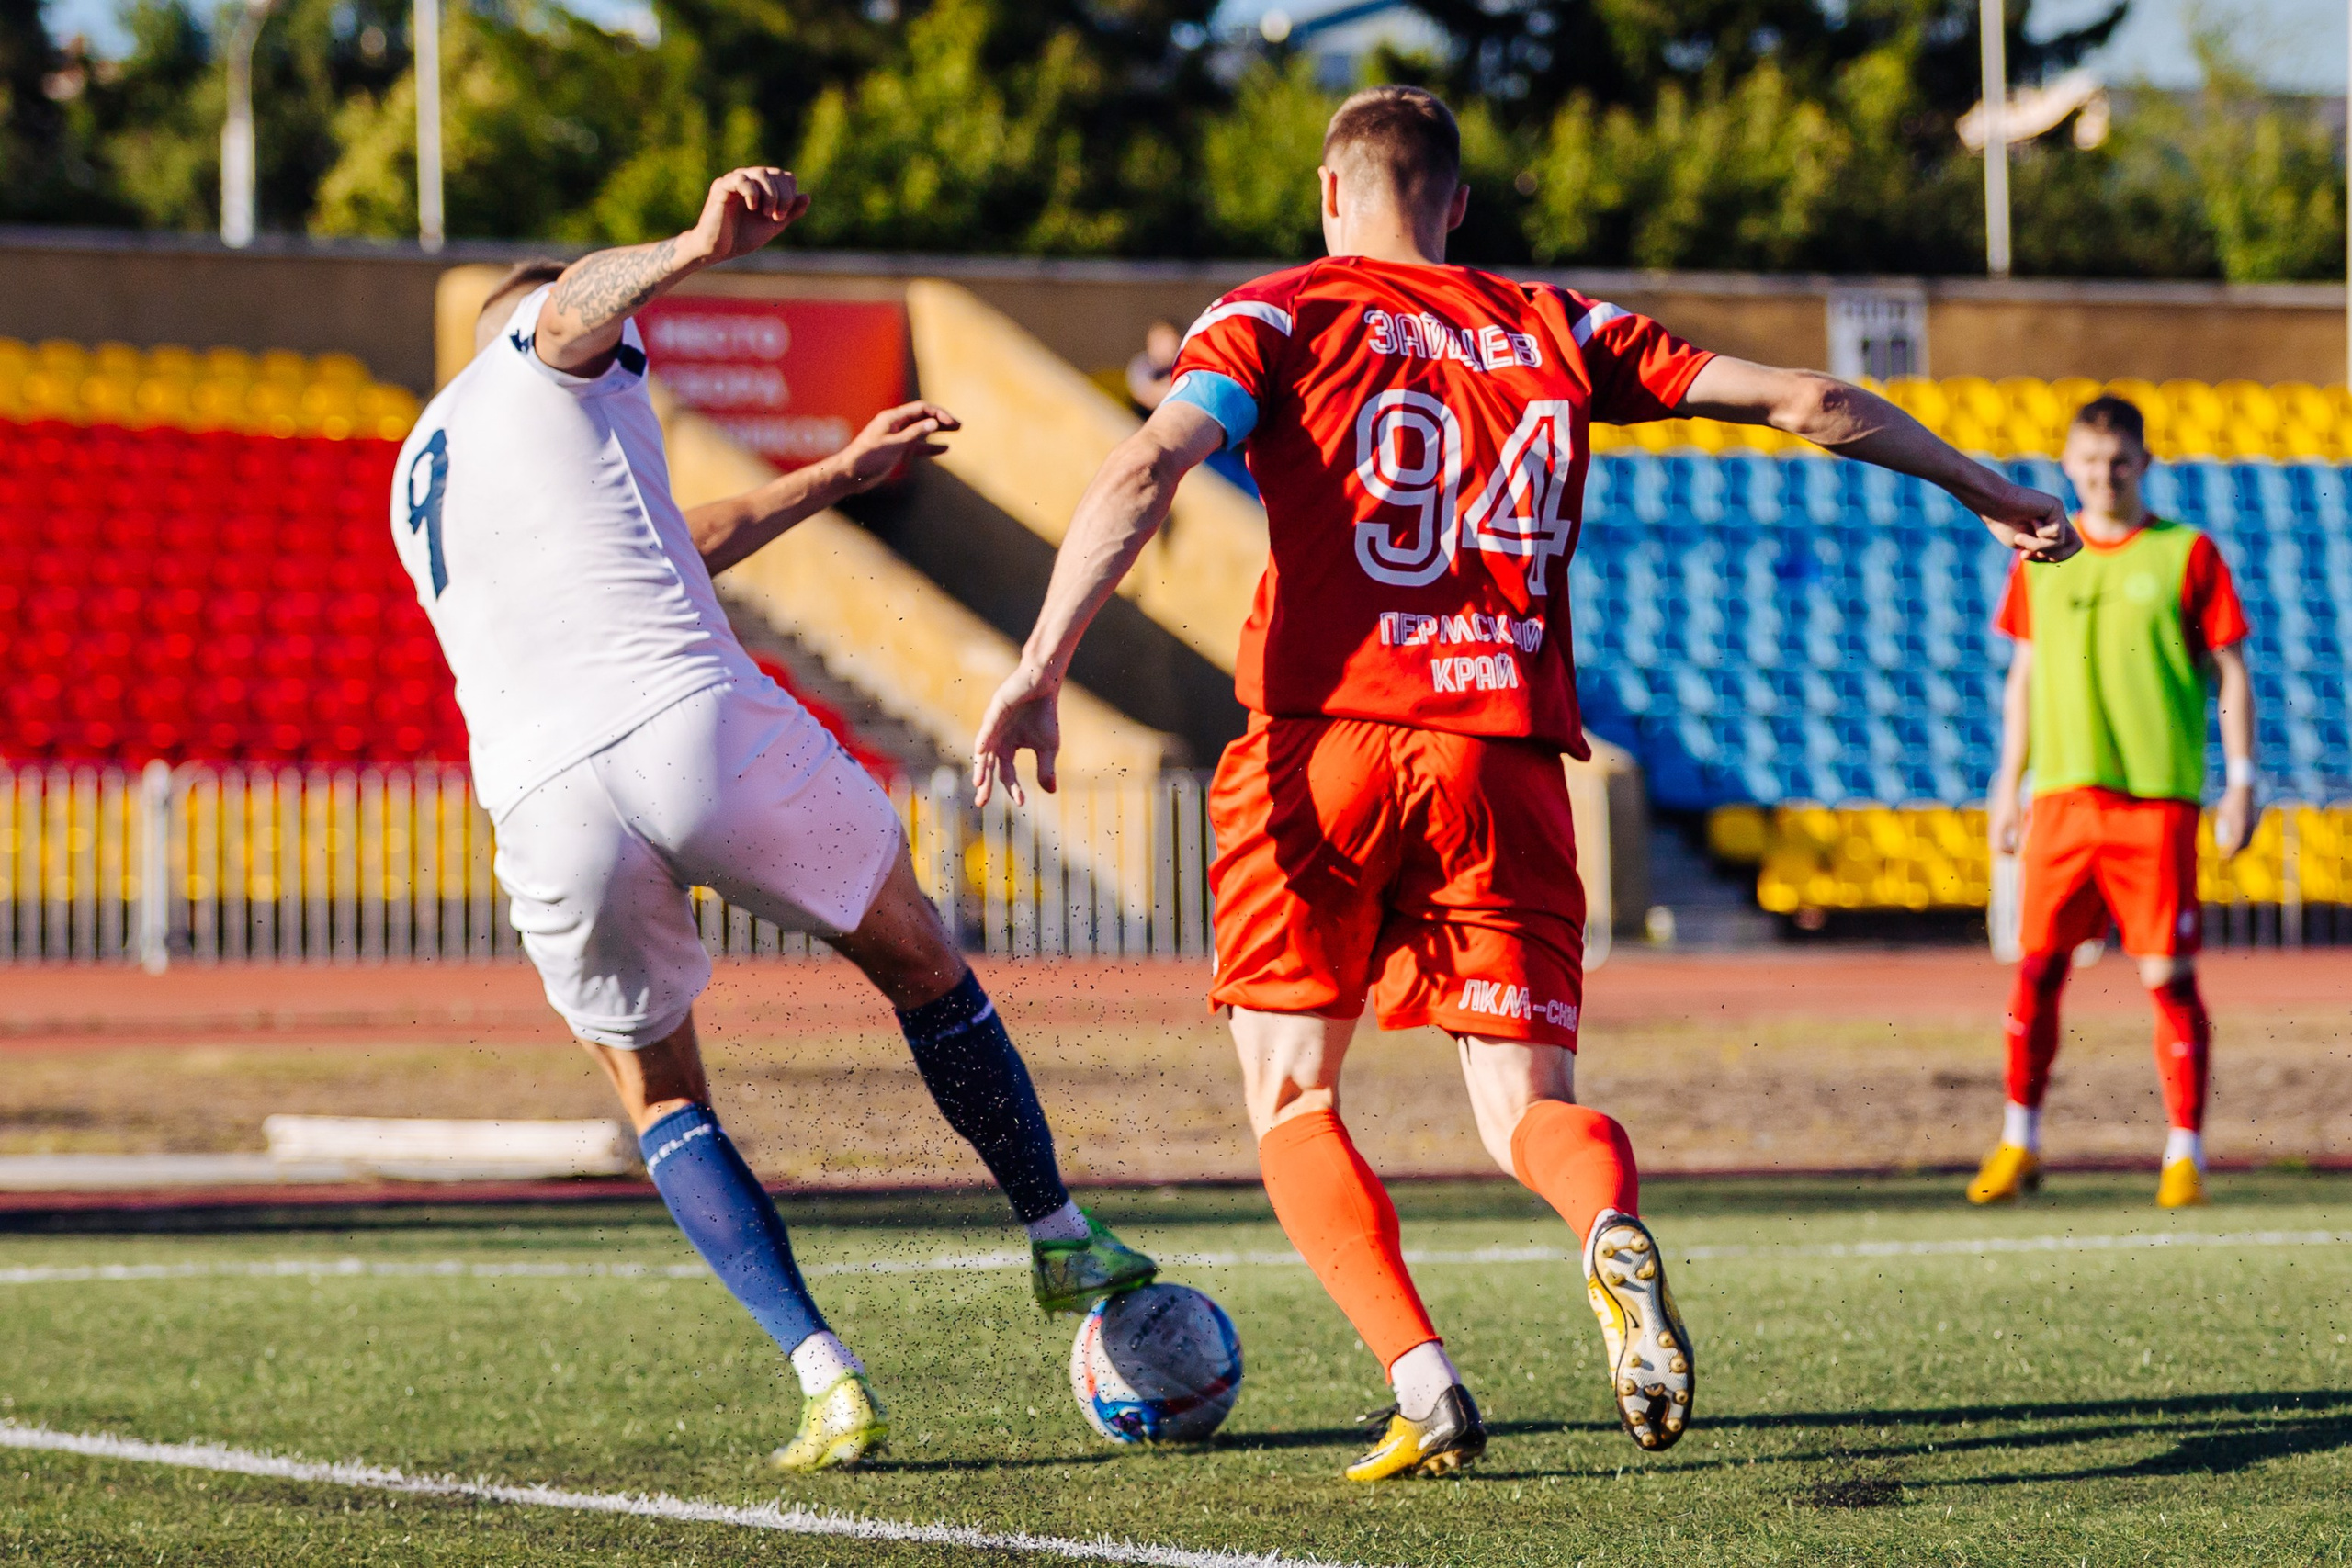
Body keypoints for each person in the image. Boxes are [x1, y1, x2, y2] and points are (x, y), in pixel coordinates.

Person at [971, 86, 2077, 1479]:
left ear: (1331, 189)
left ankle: (1423, 1378)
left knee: (1296, 1097)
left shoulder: (1276, 312)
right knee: (1522, 1104)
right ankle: (1606, 1227)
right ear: (1458, 202)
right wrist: (1989, 492)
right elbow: (1811, 398)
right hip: (1501, 754)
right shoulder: (1558, 321)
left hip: (1320, 744)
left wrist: (1040, 662)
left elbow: (1149, 462)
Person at [388, 167, 1154, 1474]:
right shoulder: (549, 340)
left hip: (538, 797)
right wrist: (693, 248)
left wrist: (841, 472)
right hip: (687, 722)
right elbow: (570, 300)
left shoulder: (426, 467)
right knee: (915, 950)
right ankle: (1058, 1227)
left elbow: (682, 534)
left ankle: (827, 1378)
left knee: (656, 1088)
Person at [1968, 395, 2256, 1211]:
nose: (2103, 475)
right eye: (2089, 462)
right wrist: (2006, 781)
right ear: (2068, 465)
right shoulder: (2035, 552)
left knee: (2168, 976)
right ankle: (2019, 1141)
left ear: (2144, 462)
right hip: (2060, 794)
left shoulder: (2187, 553)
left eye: (2119, 461)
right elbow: (2022, 676)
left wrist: (2242, 780)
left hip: (2156, 799)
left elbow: (2232, 668)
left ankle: (2183, 1153)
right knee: (2037, 970)